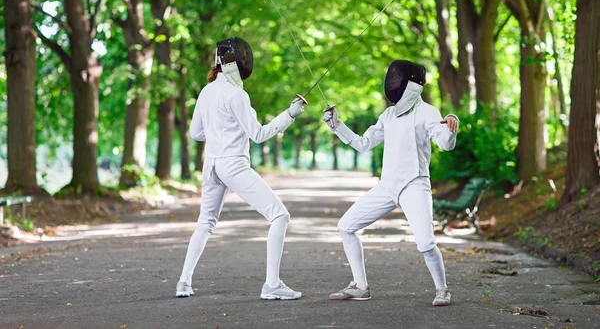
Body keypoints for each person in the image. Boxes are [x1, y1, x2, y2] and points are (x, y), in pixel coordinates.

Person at [176, 37, 307, 300]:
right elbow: (258, 134)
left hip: (211, 164)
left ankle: (183, 282)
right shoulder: (237, 94)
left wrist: (218, 134)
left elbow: (195, 133)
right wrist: (290, 114)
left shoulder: (206, 91)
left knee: (206, 222)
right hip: (232, 163)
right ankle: (272, 285)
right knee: (280, 216)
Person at [322, 60, 459, 306]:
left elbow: (446, 144)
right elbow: (363, 144)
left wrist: (451, 125)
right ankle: (360, 286)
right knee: (346, 226)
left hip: (414, 185)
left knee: (426, 243)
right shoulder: (388, 115)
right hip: (387, 187)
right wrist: (337, 125)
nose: (394, 83)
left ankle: (442, 290)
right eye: (393, 79)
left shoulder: (428, 112)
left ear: (413, 83)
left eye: (399, 79)